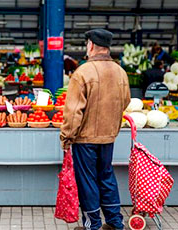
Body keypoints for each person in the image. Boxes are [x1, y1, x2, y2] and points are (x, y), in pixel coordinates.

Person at [60, 29, 131, 230]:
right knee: (107, 176)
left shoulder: (83, 72)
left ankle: (92, 224)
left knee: (87, 180)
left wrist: (66, 137)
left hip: (85, 138)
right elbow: (125, 101)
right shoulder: (120, 72)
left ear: (90, 45)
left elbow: (74, 112)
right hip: (108, 137)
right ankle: (115, 222)